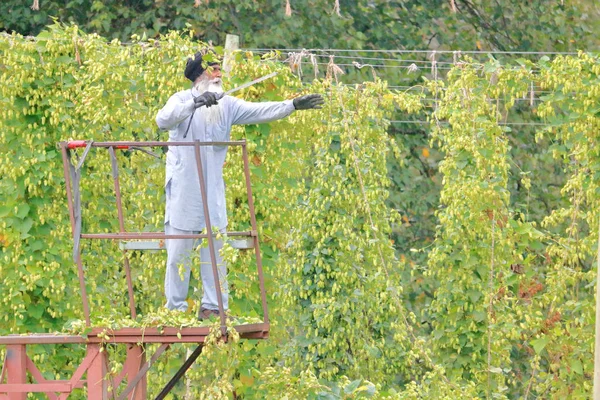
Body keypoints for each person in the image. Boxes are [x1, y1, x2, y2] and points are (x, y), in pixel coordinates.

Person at [155, 52, 324, 319]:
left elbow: (260, 111)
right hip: (185, 188)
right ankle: (174, 310)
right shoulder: (181, 99)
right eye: (212, 70)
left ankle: (214, 307)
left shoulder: (228, 105)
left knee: (216, 248)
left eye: (219, 70)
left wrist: (291, 105)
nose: (218, 74)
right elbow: (163, 120)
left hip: (212, 188)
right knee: (179, 251)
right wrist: (196, 103)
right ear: (199, 76)